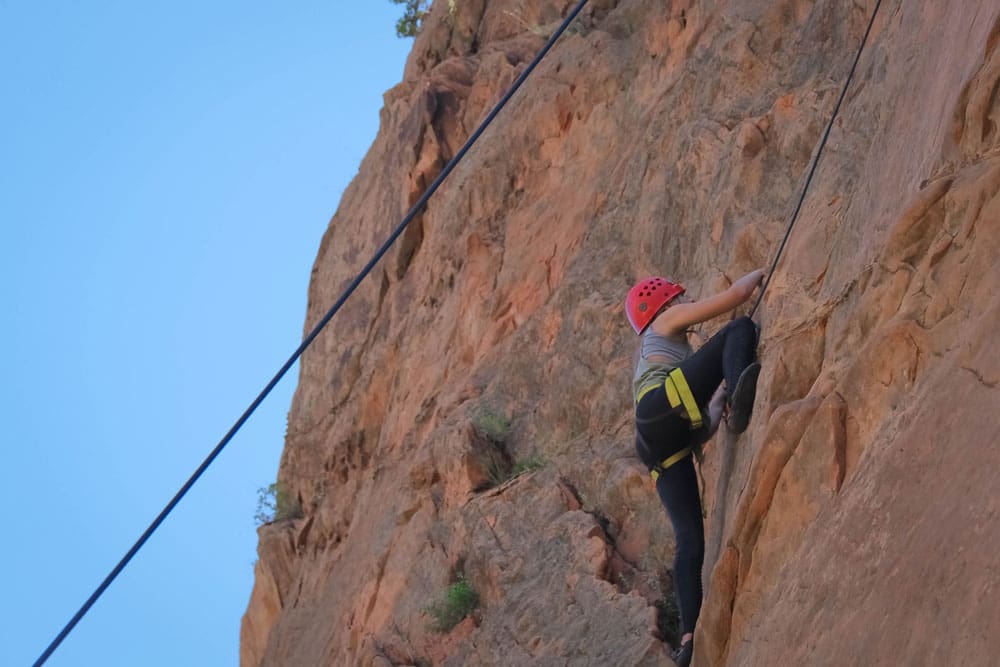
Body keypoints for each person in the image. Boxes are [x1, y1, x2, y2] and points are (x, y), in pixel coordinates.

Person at [626, 270, 765, 667]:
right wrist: (758, 275)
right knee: (739, 328)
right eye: (678, 298)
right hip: (662, 408)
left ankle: (688, 641)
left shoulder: (661, 351)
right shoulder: (666, 321)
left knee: (690, 539)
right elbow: (736, 296)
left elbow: (699, 418)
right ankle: (741, 399)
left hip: (657, 440)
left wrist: (718, 402)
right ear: (665, 303)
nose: (684, 302)